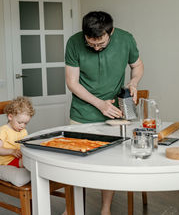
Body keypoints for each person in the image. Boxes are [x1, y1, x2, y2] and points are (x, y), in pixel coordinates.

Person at [65, 11, 144, 215]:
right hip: (82, 112)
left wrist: (133, 82)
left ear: (111, 32)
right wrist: (99, 104)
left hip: (115, 114)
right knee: (75, 164)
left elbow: (137, 66)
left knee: (108, 163)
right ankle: (72, 209)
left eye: (101, 44)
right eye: (91, 44)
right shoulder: (74, 43)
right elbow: (72, 83)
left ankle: (105, 209)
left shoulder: (126, 39)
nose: (96, 48)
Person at [0, 96, 35, 168]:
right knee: (29, 163)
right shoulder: (3, 130)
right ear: (10, 117)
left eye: (25, 123)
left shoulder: (23, 131)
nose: (22, 126)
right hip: (8, 161)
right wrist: (12, 151)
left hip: (20, 157)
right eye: (19, 122)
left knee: (35, 160)